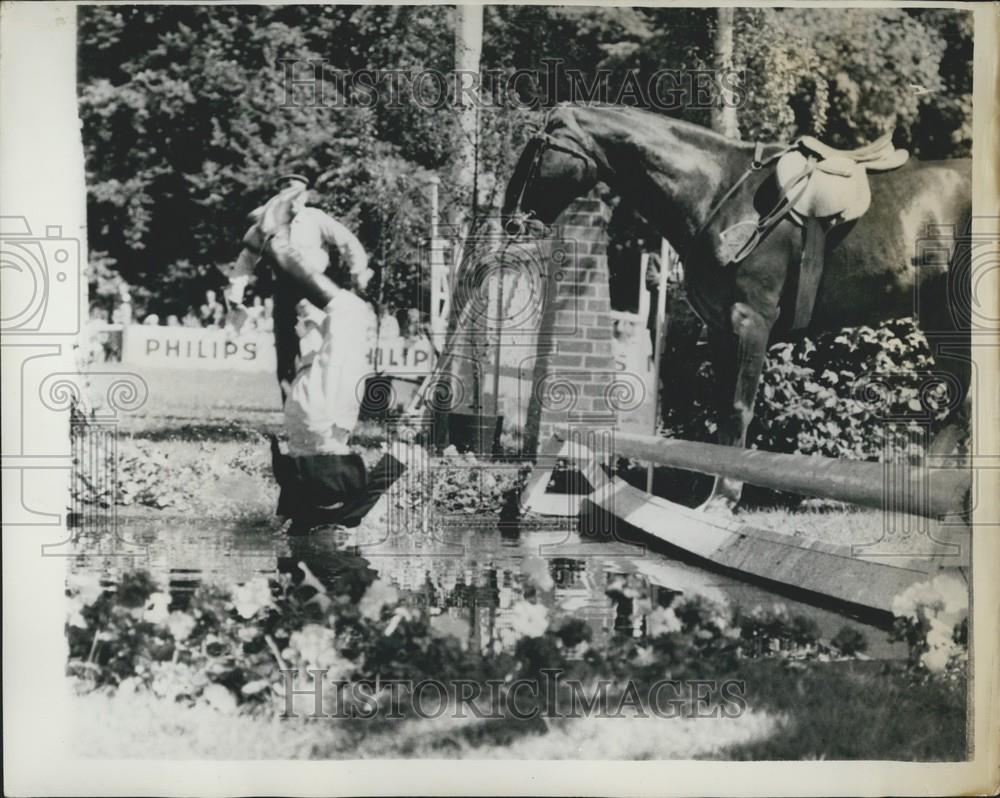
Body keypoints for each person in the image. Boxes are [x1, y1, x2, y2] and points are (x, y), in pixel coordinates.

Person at [254, 184, 402, 532]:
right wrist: (277, 522)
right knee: (325, 330)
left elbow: (400, 463)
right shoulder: (302, 501)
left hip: (326, 417)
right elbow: (284, 503)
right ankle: (274, 249)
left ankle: (273, 242)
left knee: (349, 310)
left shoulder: (349, 514)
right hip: (298, 425)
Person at [233, 172, 372, 397]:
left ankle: (319, 407)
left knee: (316, 347)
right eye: (287, 192)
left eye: (298, 192)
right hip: (283, 292)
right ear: (280, 196)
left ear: (305, 195)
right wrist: (236, 295)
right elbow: (245, 260)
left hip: (316, 293)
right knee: (286, 354)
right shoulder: (267, 226)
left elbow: (347, 241)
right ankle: (291, 412)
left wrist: (358, 272)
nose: (293, 198)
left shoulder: (315, 219)